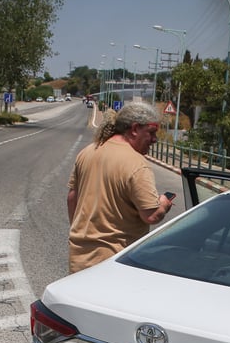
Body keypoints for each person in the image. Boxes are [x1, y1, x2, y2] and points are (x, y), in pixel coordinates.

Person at [66, 101, 174, 273]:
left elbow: (73, 197)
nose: (155, 140)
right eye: (151, 133)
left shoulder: (88, 151)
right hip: (113, 263)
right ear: (134, 129)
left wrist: (80, 232)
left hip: (79, 257)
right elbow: (151, 216)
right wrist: (163, 204)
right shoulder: (136, 163)